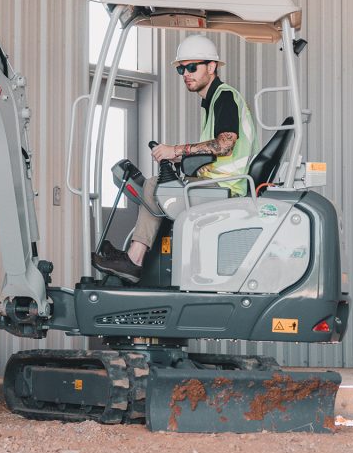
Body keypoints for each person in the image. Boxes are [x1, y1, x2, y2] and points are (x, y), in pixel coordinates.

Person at [92, 34, 257, 283]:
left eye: (192, 67)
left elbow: (225, 145)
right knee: (153, 186)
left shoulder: (224, 97)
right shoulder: (212, 101)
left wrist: (176, 151)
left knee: (154, 187)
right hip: (217, 183)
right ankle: (135, 258)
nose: (186, 74)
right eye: (182, 69)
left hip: (226, 187)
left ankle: (135, 260)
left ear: (211, 67)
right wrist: (180, 158)